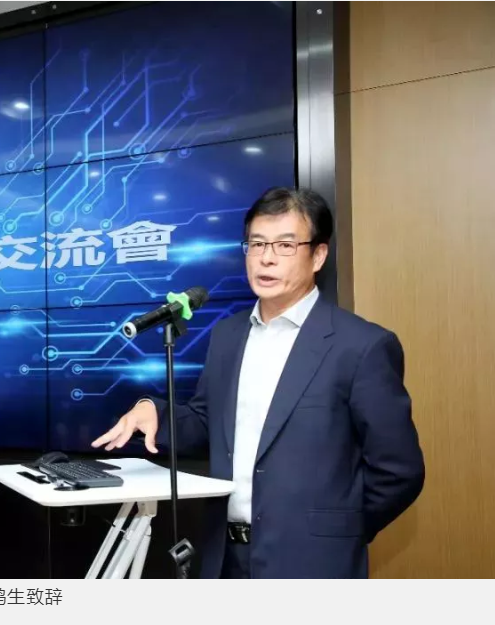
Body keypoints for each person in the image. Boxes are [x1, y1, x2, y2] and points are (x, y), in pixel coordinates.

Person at [91, 187, 424, 579]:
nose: (267, 257)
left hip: (313, 565)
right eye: (257, 243)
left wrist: (339, 533)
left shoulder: (361, 345)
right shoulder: (227, 336)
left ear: (318, 255)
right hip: (224, 557)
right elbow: (207, 424)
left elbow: (398, 472)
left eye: (285, 245)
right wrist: (157, 413)